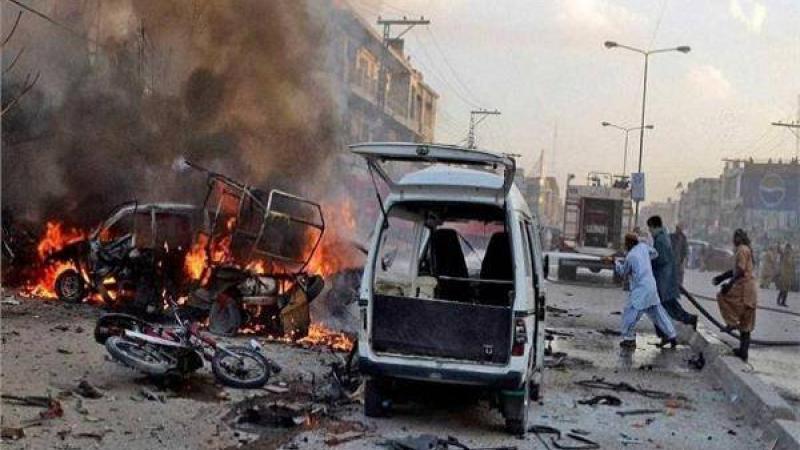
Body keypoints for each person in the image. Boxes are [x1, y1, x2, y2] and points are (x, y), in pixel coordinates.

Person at [610, 233, 677, 350]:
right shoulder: (643, 247)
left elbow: (623, 272)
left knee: (630, 314)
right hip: (651, 286)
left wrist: (615, 262)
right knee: (658, 313)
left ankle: (629, 339)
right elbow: (655, 253)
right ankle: (672, 335)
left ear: (628, 244)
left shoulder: (630, 256)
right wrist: (645, 260)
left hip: (640, 290)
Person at [647, 216, 698, 341]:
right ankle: (688, 320)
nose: (649, 231)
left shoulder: (661, 240)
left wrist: (649, 262)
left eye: (650, 228)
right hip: (667, 278)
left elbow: (662, 259)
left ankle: (666, 334)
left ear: (654, 227)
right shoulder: (666, 237)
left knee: (660, 307)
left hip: (664, 279)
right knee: (669, 305)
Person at [712, 229, 758, 361]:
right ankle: (743, 352)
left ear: (739, 238)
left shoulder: (742, 249)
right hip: (750, 290)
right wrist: (721, 277)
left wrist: (729, 285)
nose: (734, 240)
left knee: (722, 296)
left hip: (744, 289)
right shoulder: (745, 249)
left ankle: (731, 323)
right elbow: (735, 270)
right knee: (746, 323)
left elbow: (740, 271)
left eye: (735, 237)